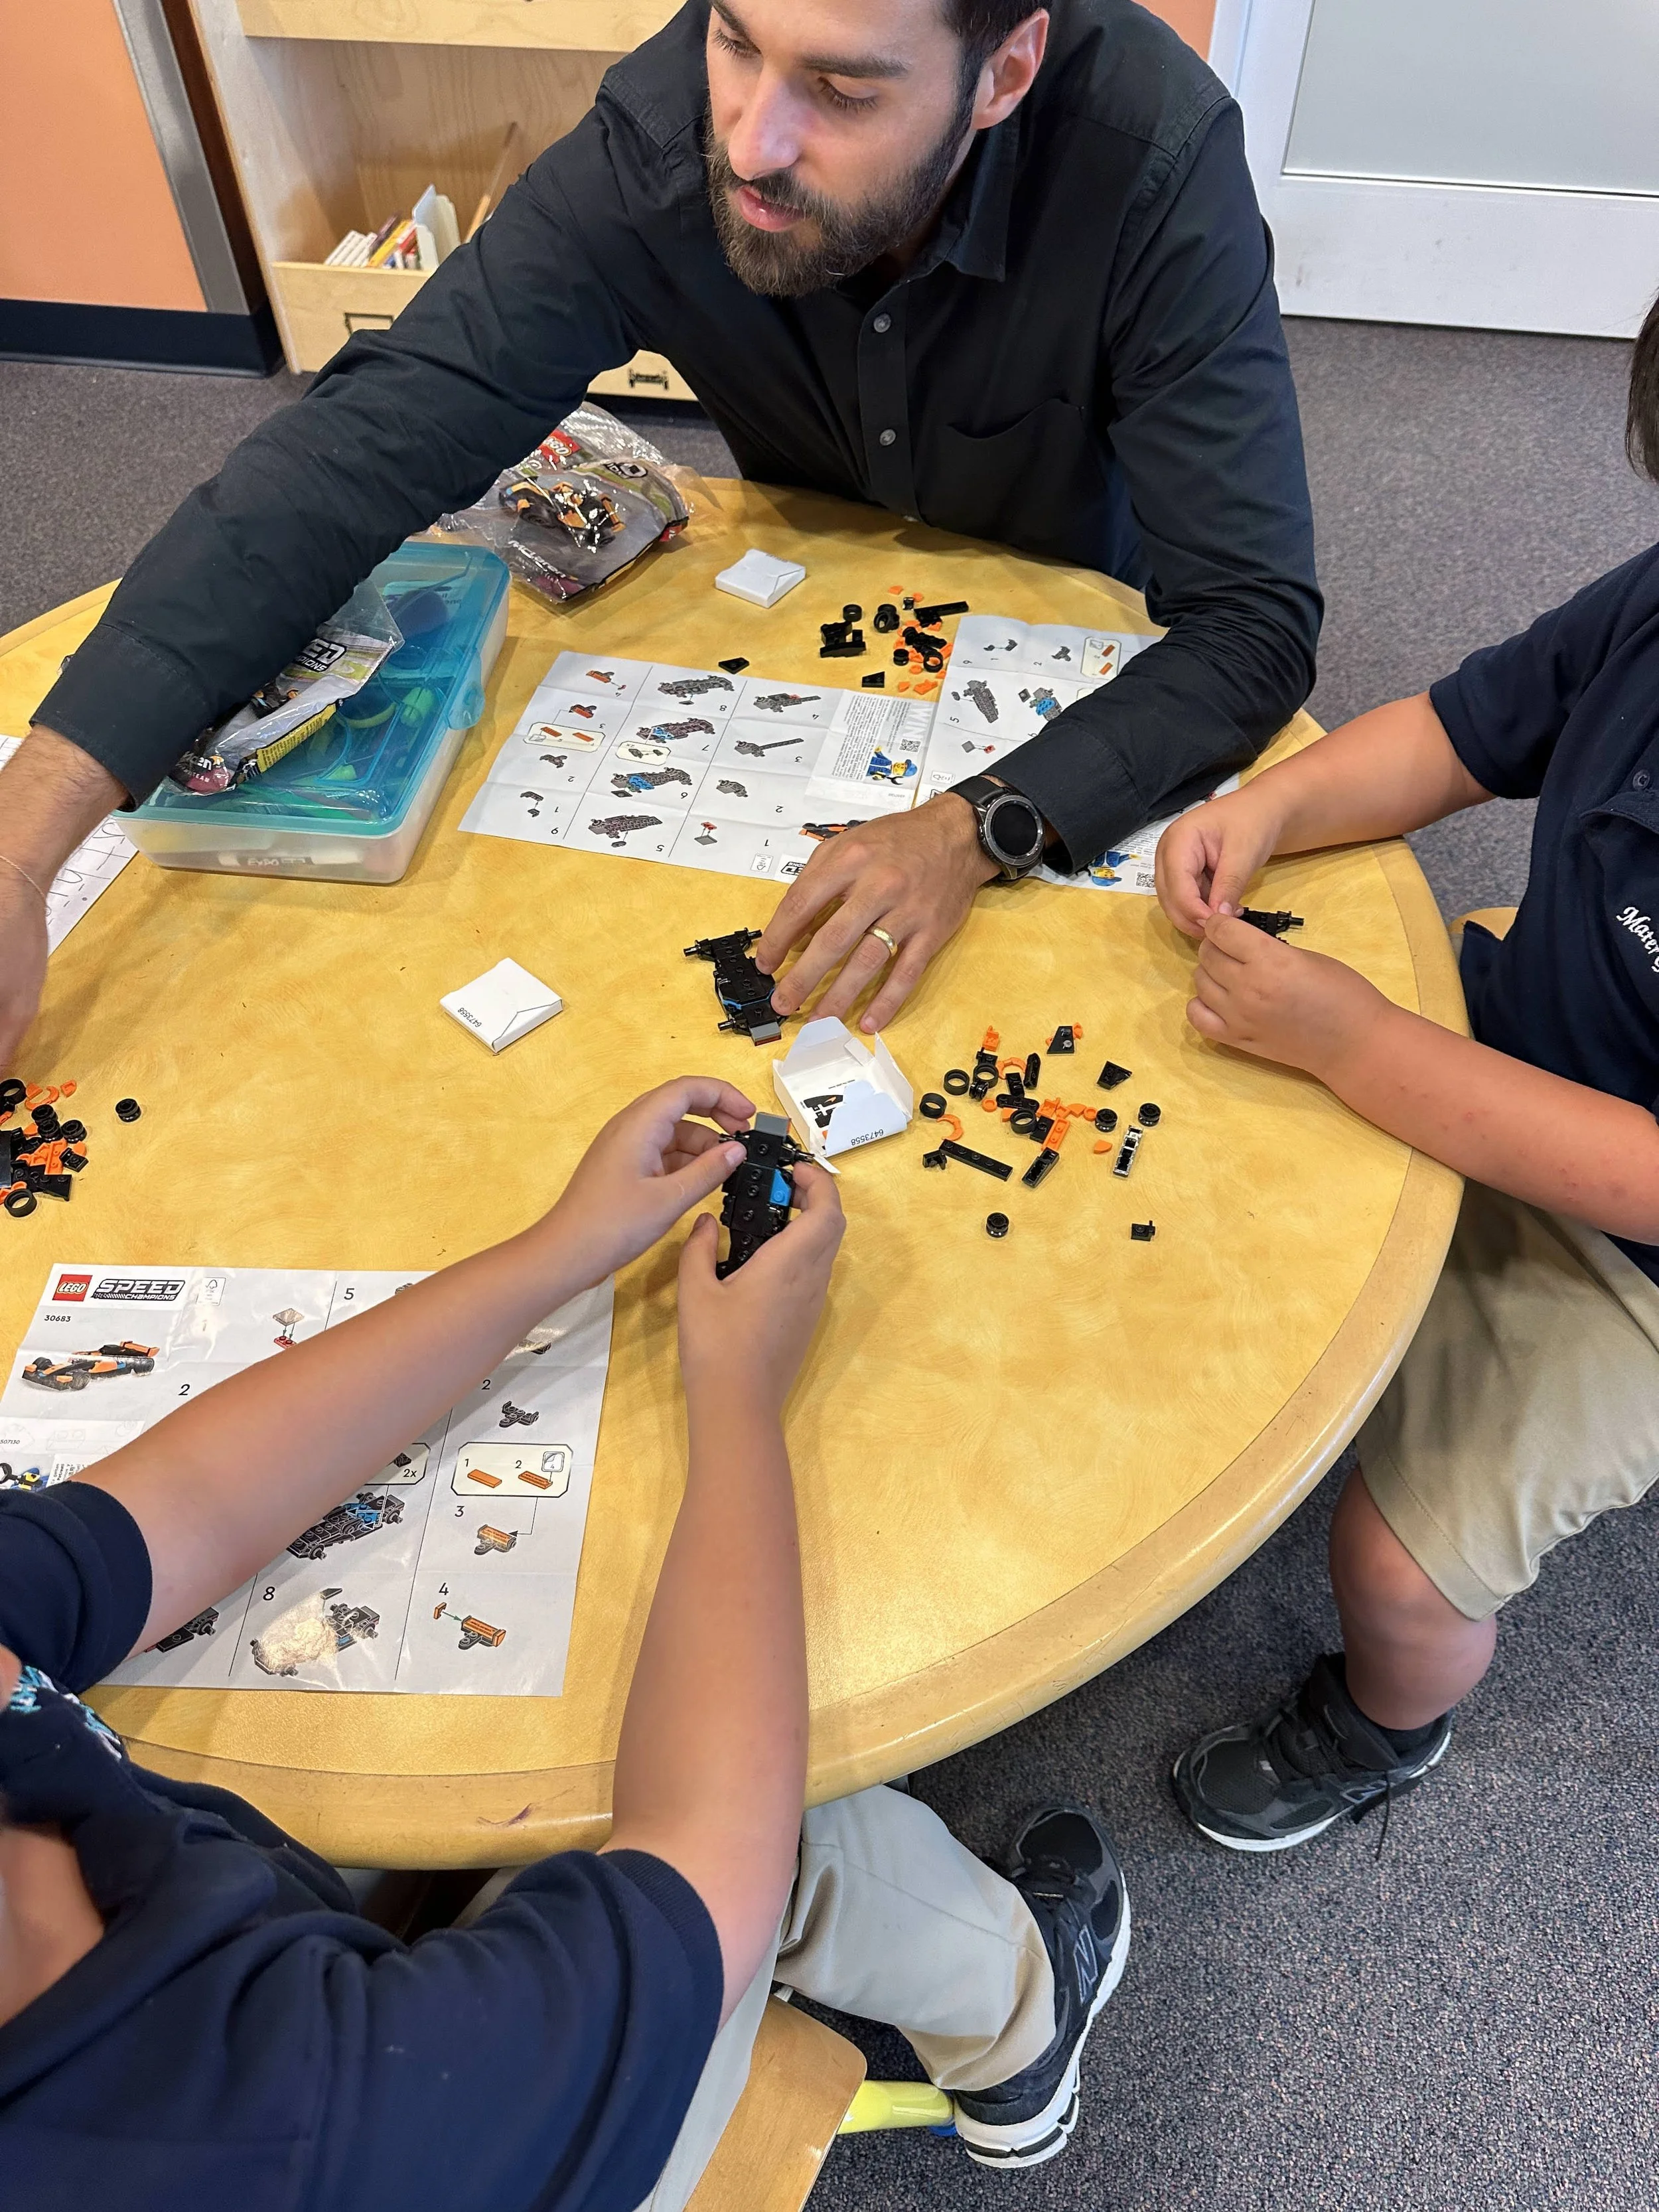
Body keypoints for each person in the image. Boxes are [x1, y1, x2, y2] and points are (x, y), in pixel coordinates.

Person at [0, 0, 1319, 1073]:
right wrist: (18, 852)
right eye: (735, 38)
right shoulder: (661, 141)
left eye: (845, 94)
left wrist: (977, 826)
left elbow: (1253, 621)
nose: (748, 143)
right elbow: (372, 437)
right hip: (814, 632)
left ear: (1002, 72)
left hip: (1084, 676)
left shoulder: (1150, 159)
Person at [0, 1075, 1130, 2204]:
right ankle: (1021, 2033)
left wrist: (563, 1249)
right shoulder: (278, 2122)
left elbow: (180, 1503)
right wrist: (738, 1391)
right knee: (797, 1803)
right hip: (476, 2120)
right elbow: (704, 1863)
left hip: (314, 1974)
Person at [1150, 296, 1659, 1853]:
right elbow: (1462, 727)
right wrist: (1279, 803)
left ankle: (1382, 1727)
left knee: (1393, 1562)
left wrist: (1361, 1045)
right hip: (1514, 1019)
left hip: (1623, 1257)